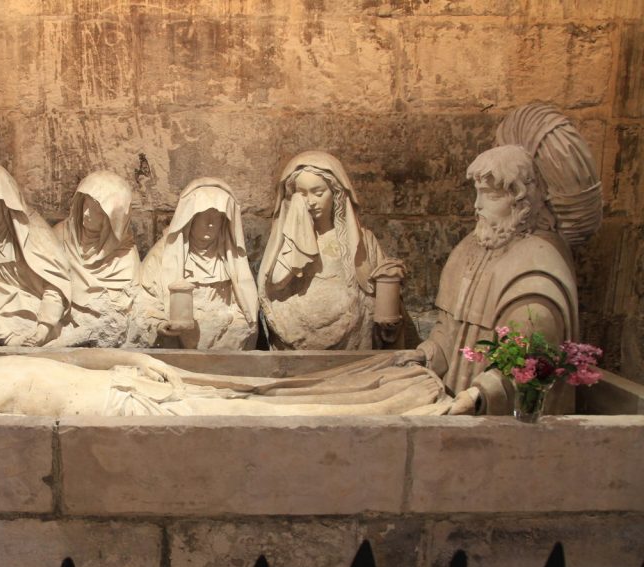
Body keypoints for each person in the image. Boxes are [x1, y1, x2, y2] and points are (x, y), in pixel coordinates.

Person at [391, 144, 579, 414]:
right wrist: (427, 353)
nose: (477, 206)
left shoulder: (539, 261)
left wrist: (479, 395)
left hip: (494, 414)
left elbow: (534, 363)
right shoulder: (473, 247)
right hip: (449, 393)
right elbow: (450, 329)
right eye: (477, 194)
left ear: (520, 199)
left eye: (489, 195)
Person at [0, 348, 450, 417]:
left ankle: (380, 382)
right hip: (118, 411)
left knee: (241, 393)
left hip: (124, 383)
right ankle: (391, 408)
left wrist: (122, 356)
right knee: (247, 415)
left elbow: (60, 355)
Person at [257, 151, 405, 350]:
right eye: (302, 195)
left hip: (352, 340)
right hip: (296, 337)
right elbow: (274, 285)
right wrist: (297, 230)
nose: (311, 201)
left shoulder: (363, 241)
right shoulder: (288, 244)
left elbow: (382, 301)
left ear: (336, 194)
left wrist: (388, 320)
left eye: (319, 193)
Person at [0, 163, 72, 346]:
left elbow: (56, 284)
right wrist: (7, 338)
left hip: (38, 324)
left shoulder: (35, 231)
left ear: (4, 199)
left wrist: (43, 329)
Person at [134, 178, 258, 350]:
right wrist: (159, 323)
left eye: (218, 217)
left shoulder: (232, 258)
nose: (211, 223)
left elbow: (245, 306)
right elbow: (145, 299)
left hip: (224, 344)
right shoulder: (163, 255)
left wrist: (235, 324)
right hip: (176, 346)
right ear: (190, 218)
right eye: (204, 216)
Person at [54, 170, 141, 347]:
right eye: (85, 205)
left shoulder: (125, 255)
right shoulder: (60, 237)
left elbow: (126, 311)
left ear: (113, 219)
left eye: (97, 211)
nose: (86, 214)